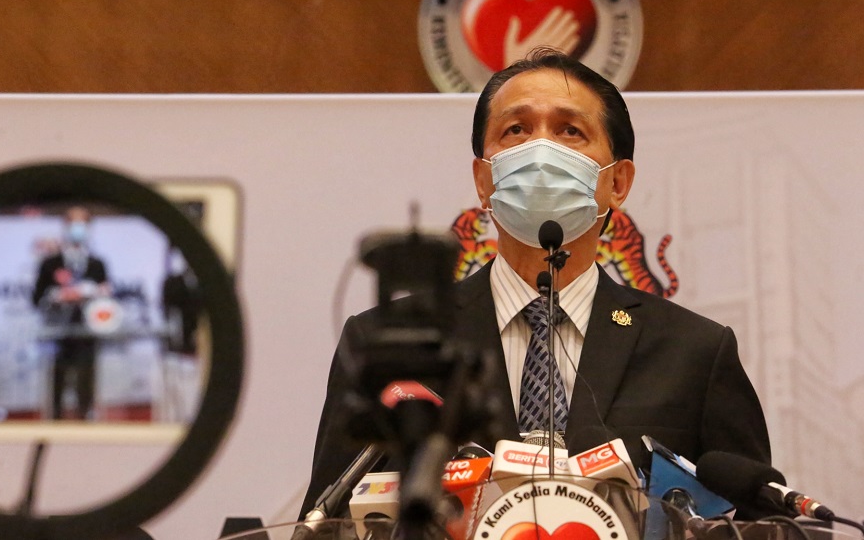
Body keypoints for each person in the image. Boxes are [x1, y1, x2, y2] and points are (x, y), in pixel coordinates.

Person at [301, 50, 770, 517]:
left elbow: (757, 523)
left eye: (570, 131)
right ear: (483, 179)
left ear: (619, 182)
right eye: (516, 130)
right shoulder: (389, 344)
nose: (541, 152)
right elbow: (324, 523)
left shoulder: (697, 353)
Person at [32, 206, 111, 420]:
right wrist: (58, 295)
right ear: (65, 227)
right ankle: (56, 421)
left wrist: (93, 292)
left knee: (86, 383)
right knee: (58, 383)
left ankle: (86, 421)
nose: (78, 229)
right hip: (58, 333)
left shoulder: (97, 264)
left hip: (87, 333)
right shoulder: (50, 263)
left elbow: (107, 298)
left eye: (82, 224)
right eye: (73, 224)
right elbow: (36, 298)